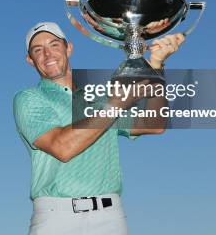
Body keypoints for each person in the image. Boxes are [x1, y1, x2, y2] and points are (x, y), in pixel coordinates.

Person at [13, 22, 184, 235]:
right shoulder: (29, 99)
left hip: (109, 216)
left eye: (54, 45)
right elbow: (62, 148)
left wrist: (157, 66)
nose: (48, 54)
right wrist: (116, 105)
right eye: (38, 50)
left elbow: (154, 124)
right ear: (30, 60)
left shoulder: (99, 99)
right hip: (56, 216)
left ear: (69, 48)